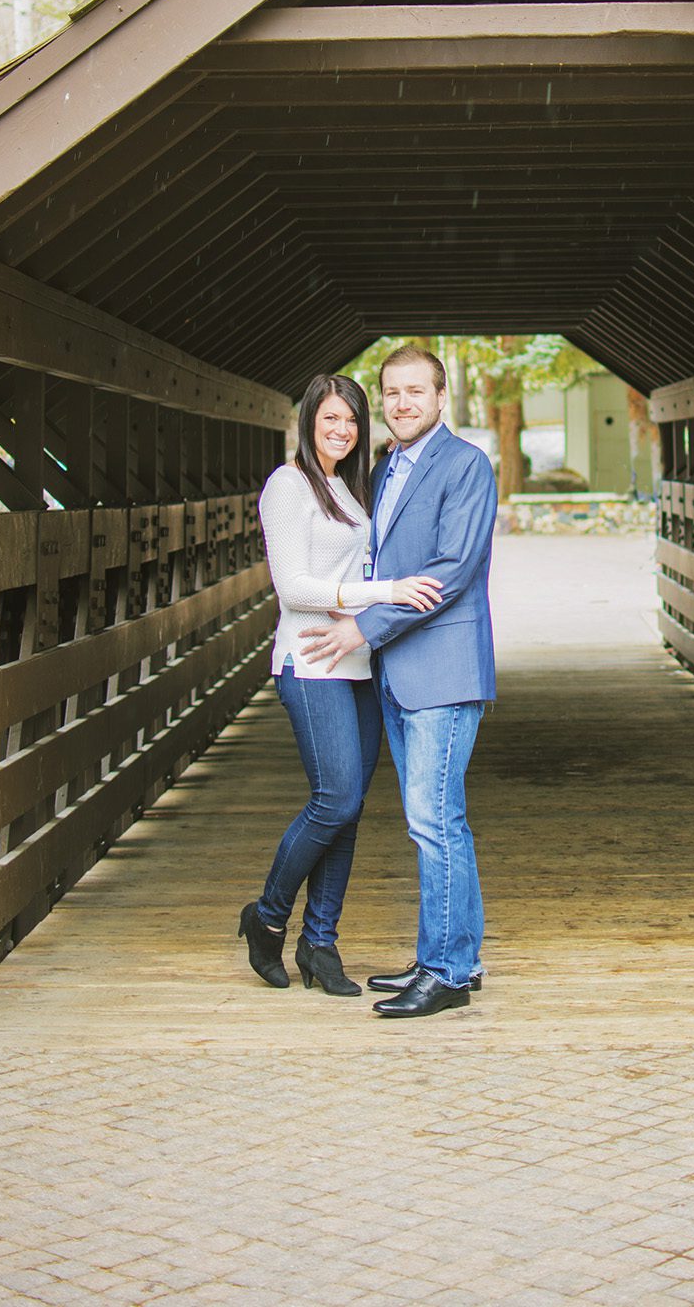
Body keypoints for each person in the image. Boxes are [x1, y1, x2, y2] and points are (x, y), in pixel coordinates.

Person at [300, 346, 498, 1020]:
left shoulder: (466, 465)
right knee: (439, 821)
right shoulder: (384, 470)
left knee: (433, 819)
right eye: (392, 392)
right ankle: (451, 958)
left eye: (417, 391)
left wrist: (363, 629)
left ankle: (444, 972)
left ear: (443, 398)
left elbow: (452, 569)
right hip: (397, 674)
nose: (403, 402)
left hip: (441, 668)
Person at [238, 373, 442, 995]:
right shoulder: (288, 485)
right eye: (329, 419)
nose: (341, 430)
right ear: (307, 421)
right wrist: (385, 594)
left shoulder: (350, 488)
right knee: (336, 797)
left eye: (351, 420)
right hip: (310, 661)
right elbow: (294, 588)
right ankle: (268, 918)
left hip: (359, 665)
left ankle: (320, 944)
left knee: (348, 812)